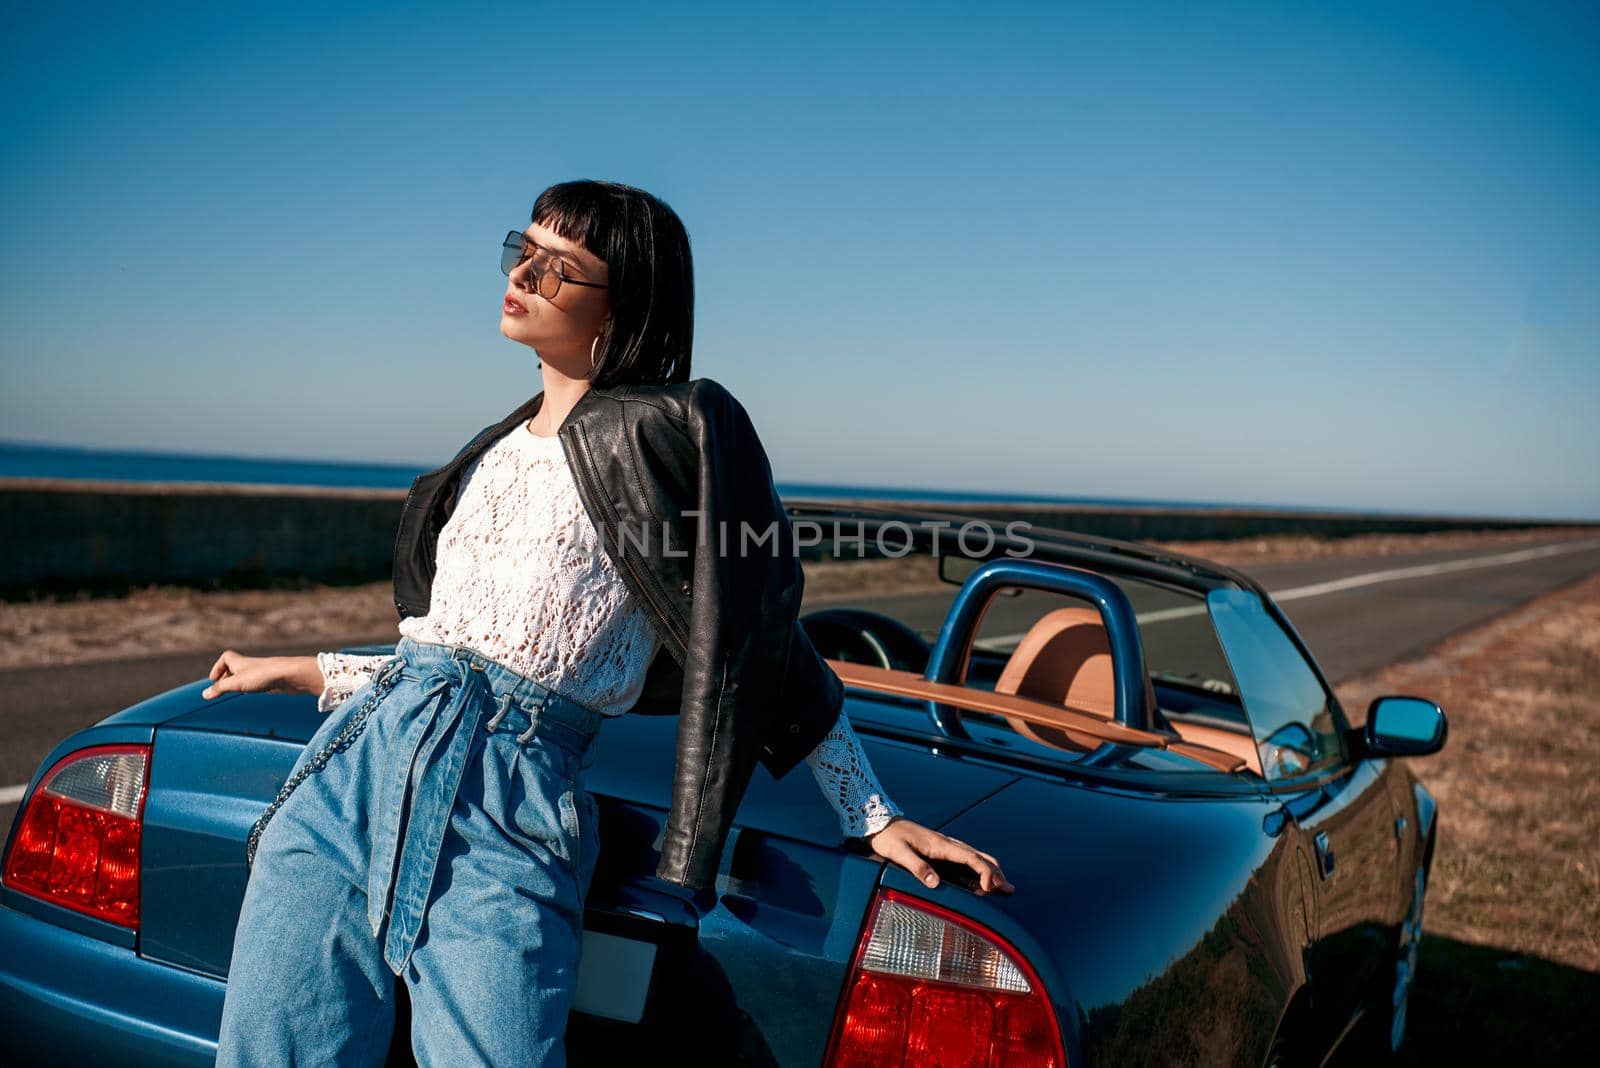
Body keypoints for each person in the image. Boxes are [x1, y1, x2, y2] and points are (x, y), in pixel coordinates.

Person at [202, 179, 1013, 1065]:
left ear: (621, 308)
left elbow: (757, 636)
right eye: (526, 248)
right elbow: (444, 656)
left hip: (507, 810)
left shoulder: (673, 433)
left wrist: (869, 811)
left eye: (561, 268)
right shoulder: (487, 454)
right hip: (347, 785)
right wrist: (299, 668)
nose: (525, 274)